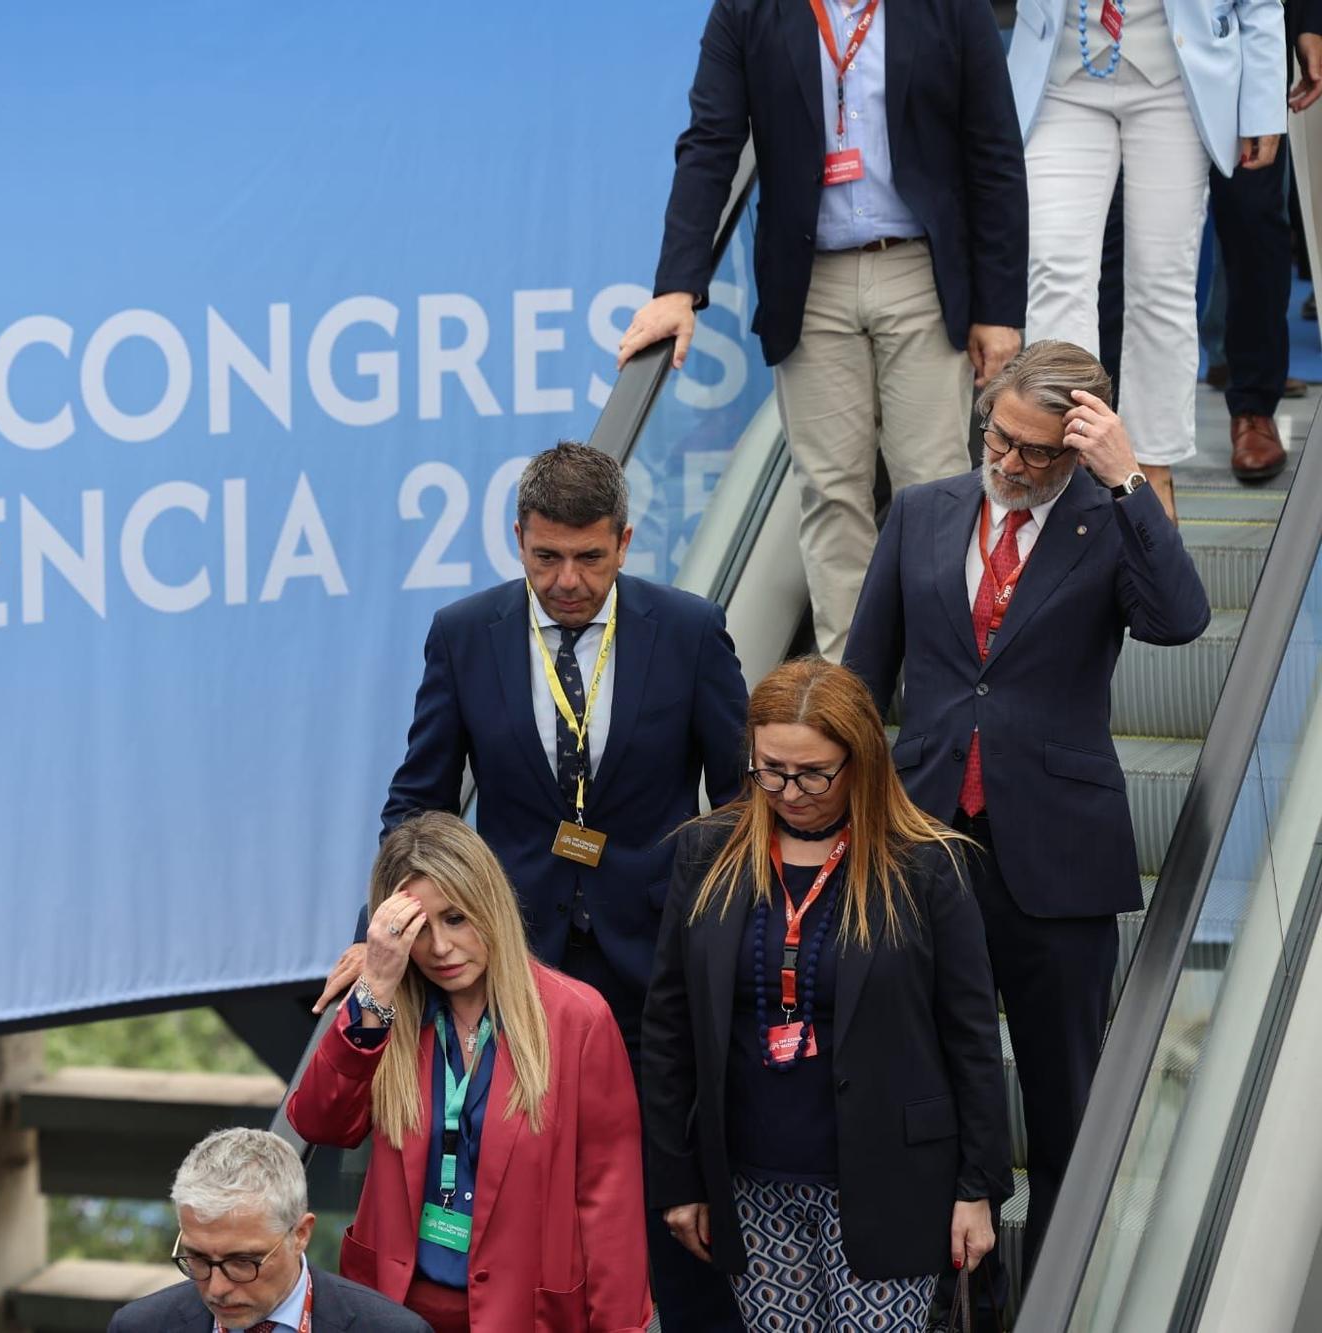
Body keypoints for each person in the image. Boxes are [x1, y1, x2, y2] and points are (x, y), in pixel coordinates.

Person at [312, 441, 746, 1330]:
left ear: (626, 541)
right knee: (513, 1185)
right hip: (506, 967)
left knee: (666, 1193)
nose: (567, 580)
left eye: (589, 557)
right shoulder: (466, 632)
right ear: (518, 539)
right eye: (545, 556)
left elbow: (741, 800)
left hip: (652, 963)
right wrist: (386, 927)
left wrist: (712, 927)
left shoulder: (691, 628)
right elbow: (417, 800)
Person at [844, 339, 1210, 1287]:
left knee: (1063, 1111)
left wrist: (1129, 480)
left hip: (1058, 861)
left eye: (1038, 452)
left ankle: (1053, 1294)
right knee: (920, 1095)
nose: (1009, 463)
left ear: (1082, 446)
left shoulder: (1107, 519)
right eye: (999, 438)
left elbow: (1180, 619)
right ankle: (943, 1299)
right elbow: (861, 679)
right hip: (926, 843)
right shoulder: (923, 512)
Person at [617, 0, 1028, 660]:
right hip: (810, 285)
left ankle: (942, 685)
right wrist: (676, 287)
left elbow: (995, 149)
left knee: (934, 491)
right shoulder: (748, 10)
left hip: (920, 270)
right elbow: (710, 142)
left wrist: (1001, 309)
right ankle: (851, 696)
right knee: (832, 497)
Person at [641, 657, 1010, 1331]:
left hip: (893, 1183)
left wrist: (978, 1188)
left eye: (813, 772)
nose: (789, 790)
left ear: (861, 759)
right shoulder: (707, 853)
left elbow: (972, 1037)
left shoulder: (925, 864)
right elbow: (668, 1031)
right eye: (770, 769)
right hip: (753, 1185)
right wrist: (677, 1179)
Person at [286, 812, 651, 1332]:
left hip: (523, 1312)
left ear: (490, 905)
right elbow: (321, 1123)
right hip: (394, 1308)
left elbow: (608, 1203)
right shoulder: (385, 1010)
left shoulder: (577, 1019)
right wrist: (375, 992)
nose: (439, 948)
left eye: (455, 918)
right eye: (416, 929)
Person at [1007, 0, 1286, 517]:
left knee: (1162, 282)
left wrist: (1263, 102)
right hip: (1059, 72)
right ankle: (1064, 463)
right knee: (1053, 268)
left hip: (1178, 75)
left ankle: (1150, 472)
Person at [107, 1127, 432, 1333]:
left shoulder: (391, 1329)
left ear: (300, 1234)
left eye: (242, 1262)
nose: (216, 1289)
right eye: (198, 1259)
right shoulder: (138, 1326)